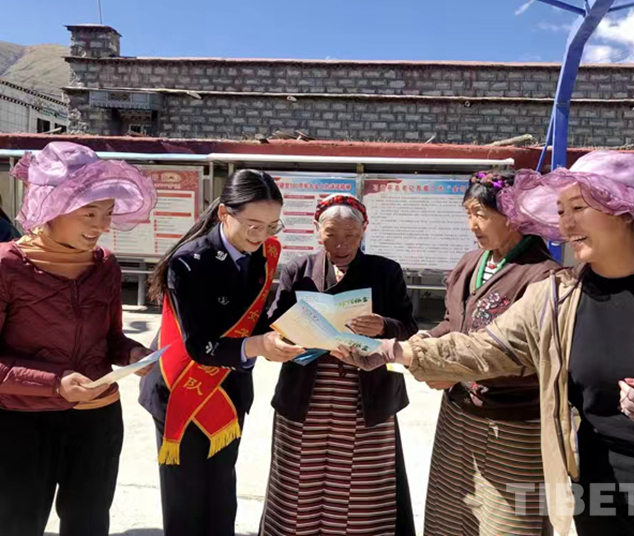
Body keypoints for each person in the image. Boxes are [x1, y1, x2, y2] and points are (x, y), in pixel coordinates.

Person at [334, 151, 634, 536]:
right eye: (561, 211)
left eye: (579, 208)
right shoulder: (556, 297)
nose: (566, 225)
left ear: (625, 209)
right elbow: (486, 348)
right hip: (598, 490)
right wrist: (394, 351)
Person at [0, 141, 157, 536]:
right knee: (17, 524)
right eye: (89, 213)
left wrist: (132, 352)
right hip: (21, 422)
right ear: (51, 206)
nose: (101, 226)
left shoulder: (106, 266)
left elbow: (110, 337)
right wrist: (55, 383)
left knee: (89, 522)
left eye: (107, 214)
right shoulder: (6, 266)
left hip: (97, 418)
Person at [140, 169, 305, 536]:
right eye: (253, 225)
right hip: (183, 387)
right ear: (223, 214)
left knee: (220, 496)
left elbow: (255, 316)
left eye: (272, 226)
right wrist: (259, 346)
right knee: (186, 501)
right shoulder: (190, 262)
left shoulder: (263, 253)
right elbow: (199, 344)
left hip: (229, 390)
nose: (260, 236)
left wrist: (294, 327)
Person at [260, 193, 418, 536]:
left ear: (364, 232)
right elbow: (274, 323)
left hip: (365, 395)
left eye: (351, 235)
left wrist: (383, 325)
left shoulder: (385, 271)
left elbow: (408, 327)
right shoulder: (298, 269)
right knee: (299, 478)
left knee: (359, 483)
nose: (341, 244)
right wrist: (287, 338)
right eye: (331, 234)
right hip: (307, 392)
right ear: (317, 231)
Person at [420, 171, 559, 536]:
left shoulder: (542, 276)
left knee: (506, 522)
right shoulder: (471, 262)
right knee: (451, 514)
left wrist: (454, 369)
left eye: (480, 214)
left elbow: (530, 354)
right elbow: (453, 323)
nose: (472, 225)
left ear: (513, 215)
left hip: (512, 424)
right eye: (468, 213)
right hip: (458, 412)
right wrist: (423, 344)